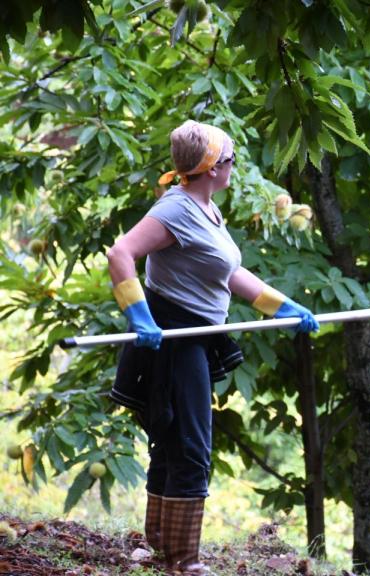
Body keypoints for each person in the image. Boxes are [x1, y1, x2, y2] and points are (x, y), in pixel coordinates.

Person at [105, 120, 318, 574]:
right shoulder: (177, 209)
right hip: (174, 338)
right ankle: (184, 560)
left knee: (172, 438)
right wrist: (138, 314)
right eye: (231, 160)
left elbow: (228, 274)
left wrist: (282, 307)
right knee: (190, 444)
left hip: (196, 337)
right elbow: (120, 253)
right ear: (211, 168)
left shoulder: (206, 210)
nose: (235, 166)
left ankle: (162, 546)